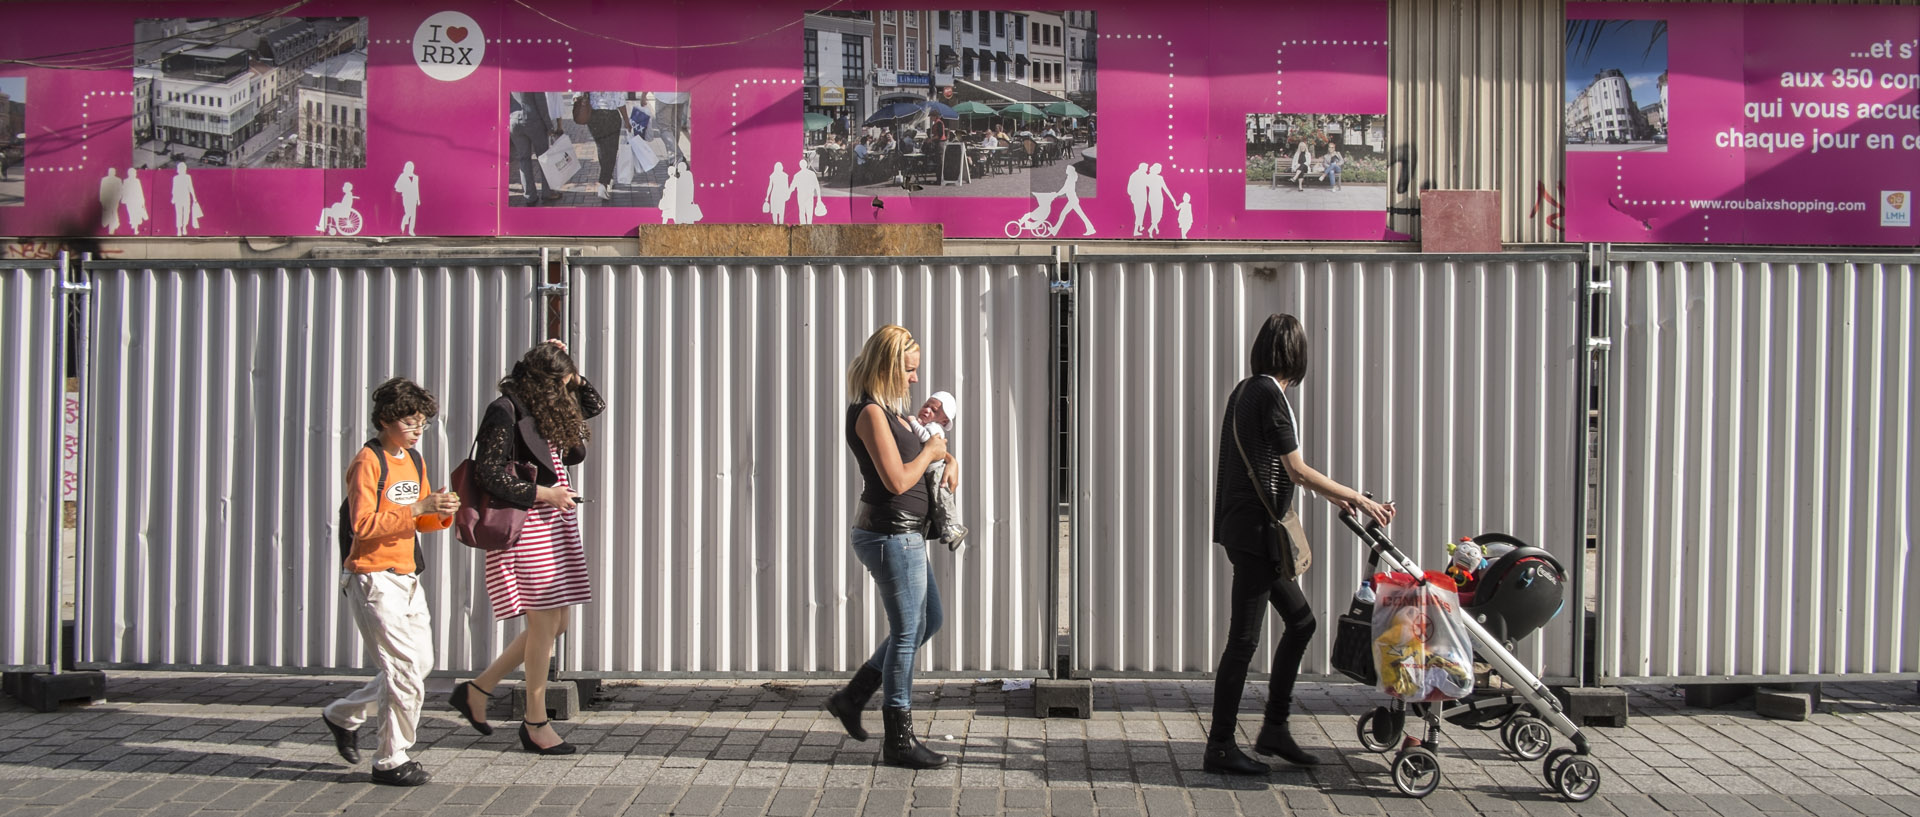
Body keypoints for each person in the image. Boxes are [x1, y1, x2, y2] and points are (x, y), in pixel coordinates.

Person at [1203, 314, 1395, 776]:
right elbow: (1296, 470)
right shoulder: (1269, 394)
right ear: (1296, 355)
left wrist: (1339, 498)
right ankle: (1222, 745)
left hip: (1245, 531)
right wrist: (1356, 498)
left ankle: (1274, 729)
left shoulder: (1244, 391)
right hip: (1256, 537)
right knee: (1243, 642)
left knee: (1302, 623)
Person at [450, 340, 605, 756]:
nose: (564, 391)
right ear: (539, 381)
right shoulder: (505, 410)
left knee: (557, 626)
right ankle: (535, 722)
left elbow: (594, 404)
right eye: (558, 382)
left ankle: (478, 690)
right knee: (542, 626)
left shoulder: (547, 405)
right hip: (527, 525)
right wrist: (544, 494)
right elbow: (488, 475)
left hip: (555, 522)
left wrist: (574, 369)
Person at [824, 325, 958, 770]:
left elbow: (928, 449)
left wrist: (948, 457)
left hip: (908, 536)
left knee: (929, 620)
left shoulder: (896, 412)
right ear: (887, 366)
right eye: (909, 369)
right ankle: (898, 739)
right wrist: (933, 452)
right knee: (906, 633)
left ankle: (853, 696)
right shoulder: (868, 414)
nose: (915, 379)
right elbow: (899, 479)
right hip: (888, 535)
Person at [321, 377, 461, 787]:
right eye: (411, 422)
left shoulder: (413, 460)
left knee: (419, 665)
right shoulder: (369, 461)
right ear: (385, 420)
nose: (419, 430)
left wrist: (443, 510)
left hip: (407, 576)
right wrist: (420, 504)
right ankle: (390, 759)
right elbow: (362, 525)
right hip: (372, 577)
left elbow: (420, 521)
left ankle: (344, 714)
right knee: (402, 671)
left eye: (424, 423)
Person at [908, 391, 968, 549]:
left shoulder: (934, 427)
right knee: (936, 500)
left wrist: (913, 421)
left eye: (934, 410)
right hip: (929, 472)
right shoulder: (928, 425)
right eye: (926, 405)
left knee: (940, 497)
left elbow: (926, 440)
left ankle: (952, 526)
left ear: (944, 420)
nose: (927, 410)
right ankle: (947, 527)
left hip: (936, 472)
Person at [510, 92, 563, 206]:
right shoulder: (532, 78)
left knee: (524, 160)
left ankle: (530, 196)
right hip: (533, 121)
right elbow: (541, 104)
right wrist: (549, 127)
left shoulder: (508, 78)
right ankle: (547, 192)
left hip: (513, 122)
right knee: (544, 157)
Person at [1050, 163, 1095, 237]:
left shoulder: (1070, 178)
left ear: (1070, 170)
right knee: (1076, 215)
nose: (1066, 170)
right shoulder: (1070, 177)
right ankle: (1091, 228)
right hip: (1073, 200)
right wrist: (1057, 194)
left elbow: (1065, 189)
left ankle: (1091, 228)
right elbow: (1065, 189)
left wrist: (1056, 194)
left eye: (1067, 169)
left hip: (1072, 200)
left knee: (1064, 214)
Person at [170, 162, 200, 236]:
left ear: (185, 169)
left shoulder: (188, 177)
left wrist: (194, 197)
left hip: (186, 198)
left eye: (183, 169)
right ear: (178, 170)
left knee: (186, 213)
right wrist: (173, 197)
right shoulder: (175, 178)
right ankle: (179, 229)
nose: (182, 170)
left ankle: (184, 227)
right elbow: (174, 189)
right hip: (178, 198)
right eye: (180, 168)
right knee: (179, 214)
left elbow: (191, 188)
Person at [393, 162, 421, 236]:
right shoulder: (402, 176)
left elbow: (416, 189)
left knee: (413, 215)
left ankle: (411, 230)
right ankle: (403, 225)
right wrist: (404, 189)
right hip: (406, 197)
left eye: (412, 167)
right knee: (408, 213)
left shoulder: (415, 177)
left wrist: (418, 199)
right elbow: (396, 187)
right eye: (409, 167)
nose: (411, 168)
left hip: (414, 198)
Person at [121, 168, 148, 234]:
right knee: (132, 214)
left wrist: (142, 201)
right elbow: (124, 191)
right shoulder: (128, 181)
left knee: (135, 214)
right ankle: (134, 226)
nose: (135, 174)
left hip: (134, 201)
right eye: (134, 173)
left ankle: (135, 228)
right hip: (132, 201)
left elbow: (139, 191)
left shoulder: (135, 181)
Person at [99, 169, 124, 234]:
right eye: (110, 172)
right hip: (106, 200)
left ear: (115, 173)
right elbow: (102, 190)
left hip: (115, 200)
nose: (112, 173)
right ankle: (108, 230)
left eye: (113, 172)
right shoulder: (104, 180)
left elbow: (120, 190)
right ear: (108, 172)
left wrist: (118, 199)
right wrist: (102, 200)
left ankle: (111, 230)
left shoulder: (118, 180)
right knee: (107, 214)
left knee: (114, 214)